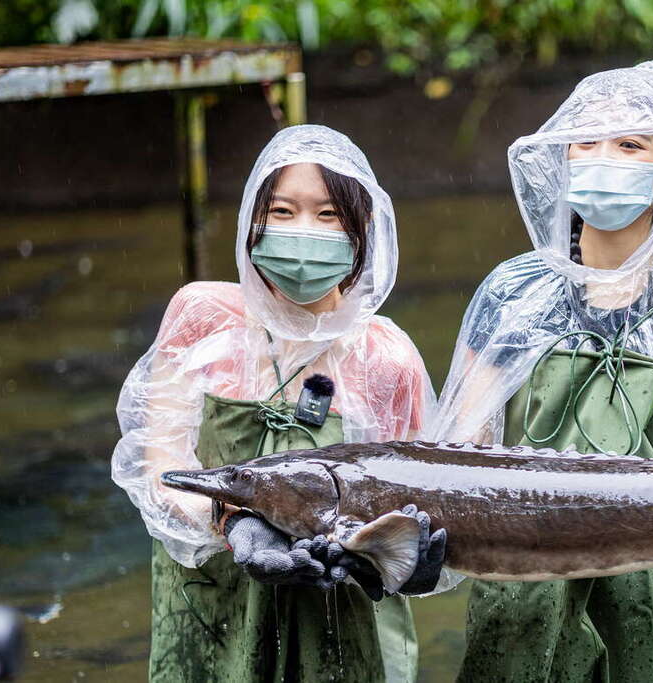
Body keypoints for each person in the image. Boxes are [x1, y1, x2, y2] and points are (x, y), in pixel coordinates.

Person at [431, 61, 653, 682]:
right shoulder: (511, 297)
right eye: (586, 141)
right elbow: (457, 457)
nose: (603, 158)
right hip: (525, 607)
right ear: (562, 160)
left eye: (629, 144)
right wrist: (420, 548)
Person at [112, 125, 443, 682]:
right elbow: (158, 469)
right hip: (212, 610)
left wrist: (414, 563)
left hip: (339, 624)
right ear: (251, 223)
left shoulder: (387, 359)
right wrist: (235, 525)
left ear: (364, 228)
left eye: (328, 214)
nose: (303, 233)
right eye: (283, 211)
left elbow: (419, 507)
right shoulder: (201, 317)